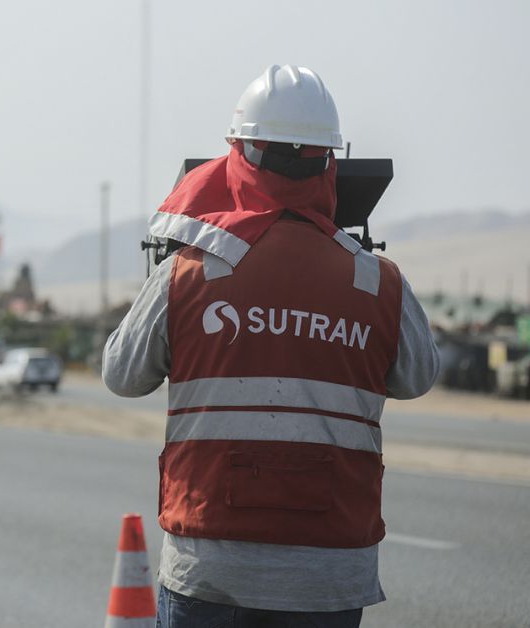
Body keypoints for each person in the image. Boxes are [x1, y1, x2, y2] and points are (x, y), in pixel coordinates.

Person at [102, 65, 439, 627]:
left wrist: (166, 270)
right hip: (329, 575)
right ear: (330, 163)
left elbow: (123, 374)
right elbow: (417, 377)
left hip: (211, 567)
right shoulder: (376, 280)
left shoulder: (189, 275)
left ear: (238, 155)